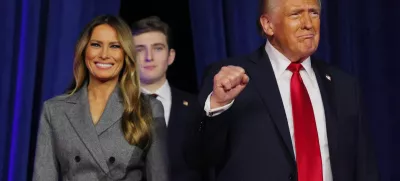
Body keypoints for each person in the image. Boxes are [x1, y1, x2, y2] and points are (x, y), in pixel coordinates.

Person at [186, 0, 380, 180]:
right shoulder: (231, 79)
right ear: (268, 24)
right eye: (296, 14)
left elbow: (364, 165)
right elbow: (199, 157)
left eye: (313, 13)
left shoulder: (344, 85)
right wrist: (218, 105)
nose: (308, 23)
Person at [33, 15, 169, 181]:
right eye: (96, 45)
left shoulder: (148, 108)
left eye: (114, 46)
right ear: (84, 50)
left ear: (126, 54)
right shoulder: (54, 110)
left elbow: (159, 176)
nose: (104, 55)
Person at [130, 16, 204, 181]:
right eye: (140, 49)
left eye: (157, 48)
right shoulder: (115, 108)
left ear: (171, 56)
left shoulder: (196, 107)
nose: (149, 57)